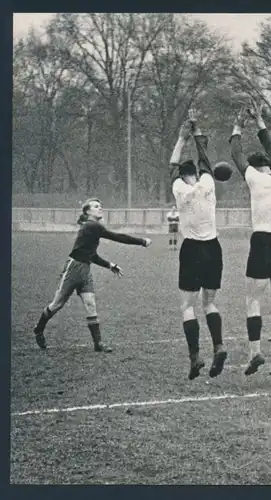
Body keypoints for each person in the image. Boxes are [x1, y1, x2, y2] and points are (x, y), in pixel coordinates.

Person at [33, 198, 152, 353]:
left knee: (91, 304)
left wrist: (110, 265)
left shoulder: (92, 227)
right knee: (57, 305)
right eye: (96, 206)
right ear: (88, 212)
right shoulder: (92, 226)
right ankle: (38, 329)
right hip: (73, 269)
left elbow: (91, 255)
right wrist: (141, 241)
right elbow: (117, 237)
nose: (100, 208)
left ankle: (98, 344)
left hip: (85, 270)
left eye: (100, 206)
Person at [229, 100, 271, 377]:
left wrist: (239, 125)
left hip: (263, 241)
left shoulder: (253, 178)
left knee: (252, 300)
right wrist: (261, 121)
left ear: (255, 168)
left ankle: (255, 352)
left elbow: (235, 153)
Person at [169, 111, 227, 380]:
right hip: (213, 248)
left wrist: (181, 139)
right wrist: (196, 130)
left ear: (182, 176)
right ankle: (219, 345)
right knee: (209, 304)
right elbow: (205, 159)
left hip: (191, 249)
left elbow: (172, 166)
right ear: (198, 174)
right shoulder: (207, 184)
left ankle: (195, 357)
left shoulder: (180, 190)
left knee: (187, 307)